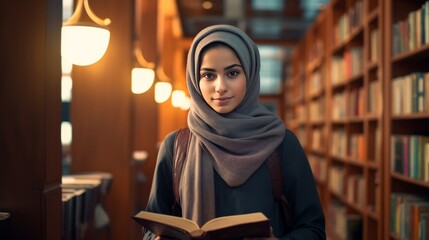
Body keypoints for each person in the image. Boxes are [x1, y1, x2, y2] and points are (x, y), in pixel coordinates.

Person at [143, 24, 326, 239]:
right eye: (209, 76)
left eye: (232, 73)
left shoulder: (282, 144)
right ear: (194, 79)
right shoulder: (175, 146)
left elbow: (313, 229)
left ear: (249, 75)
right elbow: (151, 228)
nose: (220, 86)